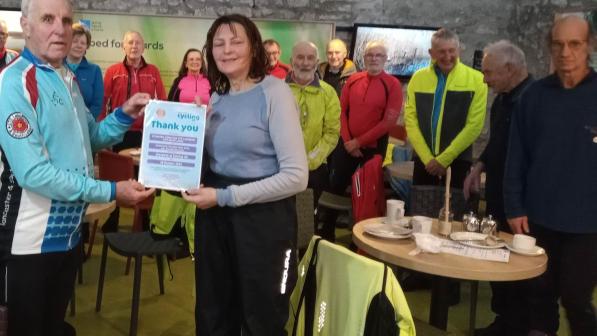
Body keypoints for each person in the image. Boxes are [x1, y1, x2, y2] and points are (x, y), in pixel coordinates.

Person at [0, 0, 154, 335]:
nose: (60, 28)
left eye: (66, 20)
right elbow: (33, 174)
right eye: (47, 19)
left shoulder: (66, 76)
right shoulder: (13, 83)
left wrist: (124, 113)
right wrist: (112, 191)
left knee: (54, 326)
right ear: (25, 25)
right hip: (29, 245)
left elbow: (92, 137)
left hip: (68, 236)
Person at [181, 14, 308, 335]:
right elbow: (213, 164)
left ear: (254, 48)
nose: (226, 50)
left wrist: (224, 197)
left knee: (262, 316)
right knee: (213, 311)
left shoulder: (275, 92)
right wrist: (193, 133)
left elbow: (296, 177)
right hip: (216, 218)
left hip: (264, 222)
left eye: (236, 42)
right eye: (218, 43)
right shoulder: (216, 97)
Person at [504, 15, 597, 336]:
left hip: (587, 225)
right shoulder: (534, 97)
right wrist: (514, 206)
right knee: (538, 299)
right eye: (558, 44)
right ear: (549, 47)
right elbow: (516, 157)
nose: (565, 52)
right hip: (537, 219)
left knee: (576, 299)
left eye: (575, 44)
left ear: (590, 46)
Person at [463, 40, 533, 336]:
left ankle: (518, 326)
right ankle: (503, 321)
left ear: (509, 69)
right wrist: (478, 166)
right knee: (497, 255)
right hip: (497, 195)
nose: (484, 78)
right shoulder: (502, 99)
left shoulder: (533, 100)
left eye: (489, 72)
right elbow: (496, 142)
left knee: (518, 266)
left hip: (522, 200)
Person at [324, 40, 402, 241]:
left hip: (373, 148)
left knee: (368, 196)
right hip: (347, 145)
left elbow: (388, 122)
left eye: (378, 55)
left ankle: (364, 239)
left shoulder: (392, 84)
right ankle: (326, 232)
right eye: (370, 55)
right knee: (335, 188)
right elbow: (341, 112)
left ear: (385, 59)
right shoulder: (353, 80)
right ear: (363, 58)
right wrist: (349, 141)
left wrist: (358, 142)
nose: (374, 59)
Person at [405, 28, 487, 189]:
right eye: (441, 52)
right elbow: (410, 120)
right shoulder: (418, 78)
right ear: (431, 53)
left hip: (458, 160)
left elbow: (474, 125)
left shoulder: (477, 80)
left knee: (455, 211)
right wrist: (429, 159)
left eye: (451, 51)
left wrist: (443, 160)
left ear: (459, 50)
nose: (447, 57)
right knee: (422, 212)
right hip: (424, 161)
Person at [286, 40, 340, 215]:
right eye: (300, 57)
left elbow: (332, 133)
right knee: (281, 216)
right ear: (291, 60)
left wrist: (310, 161)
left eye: (310, 58)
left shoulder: (328, 93)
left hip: (315, 169)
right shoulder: (276, 90)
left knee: (308, 217)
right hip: (280, 167)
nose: (305, 62)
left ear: (317, 62)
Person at [100, 30, 167, 152]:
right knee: (121, 169)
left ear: (143, 48)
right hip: (119, 130)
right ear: (123, 47)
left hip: (146, 132)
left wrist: (161, 131)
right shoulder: (112, 71)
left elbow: (162, 101)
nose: (134, 46)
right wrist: (103, 135)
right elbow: (103, 102)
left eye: (138, 43)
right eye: (130, 42)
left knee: (142, 171)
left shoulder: (153, 71)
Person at [66, 22, 103, 119]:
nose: (79, 45)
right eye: (75, 41)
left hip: (86, 127)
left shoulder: (95, 70)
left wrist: (85, 123)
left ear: (87, 46)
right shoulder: (56, 67)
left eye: (83, 43)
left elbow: (97, 104)